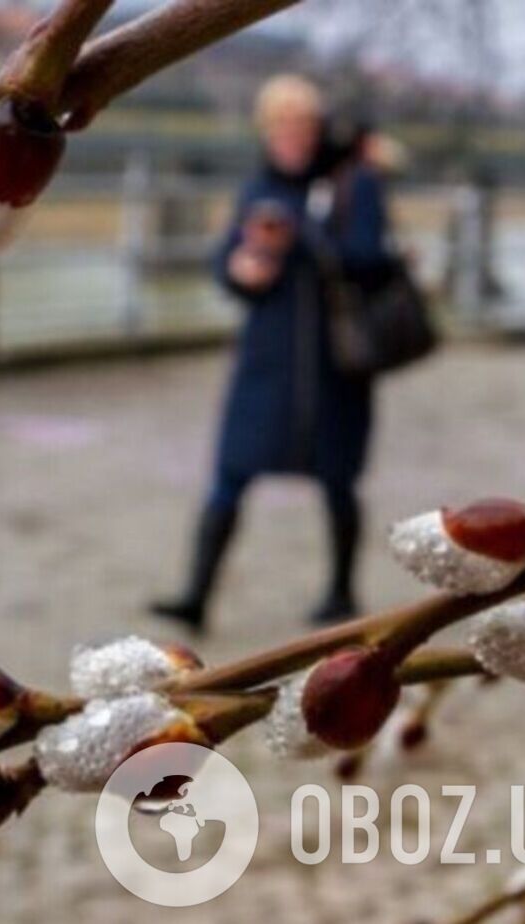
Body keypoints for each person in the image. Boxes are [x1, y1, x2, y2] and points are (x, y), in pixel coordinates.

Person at [151, 75, 394, 633]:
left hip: (336, 364)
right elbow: (226, 264)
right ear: (266, 131)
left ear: (318, 128)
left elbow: (369, 262)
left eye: (302, 123)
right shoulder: (257, 187)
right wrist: (242, 270)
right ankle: (196, 595)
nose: (292, 135)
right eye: (280, 125)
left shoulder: (354, 183)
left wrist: (299, 235)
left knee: (339, 480)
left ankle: (340, 591)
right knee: (229, 475)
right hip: (266, 362)